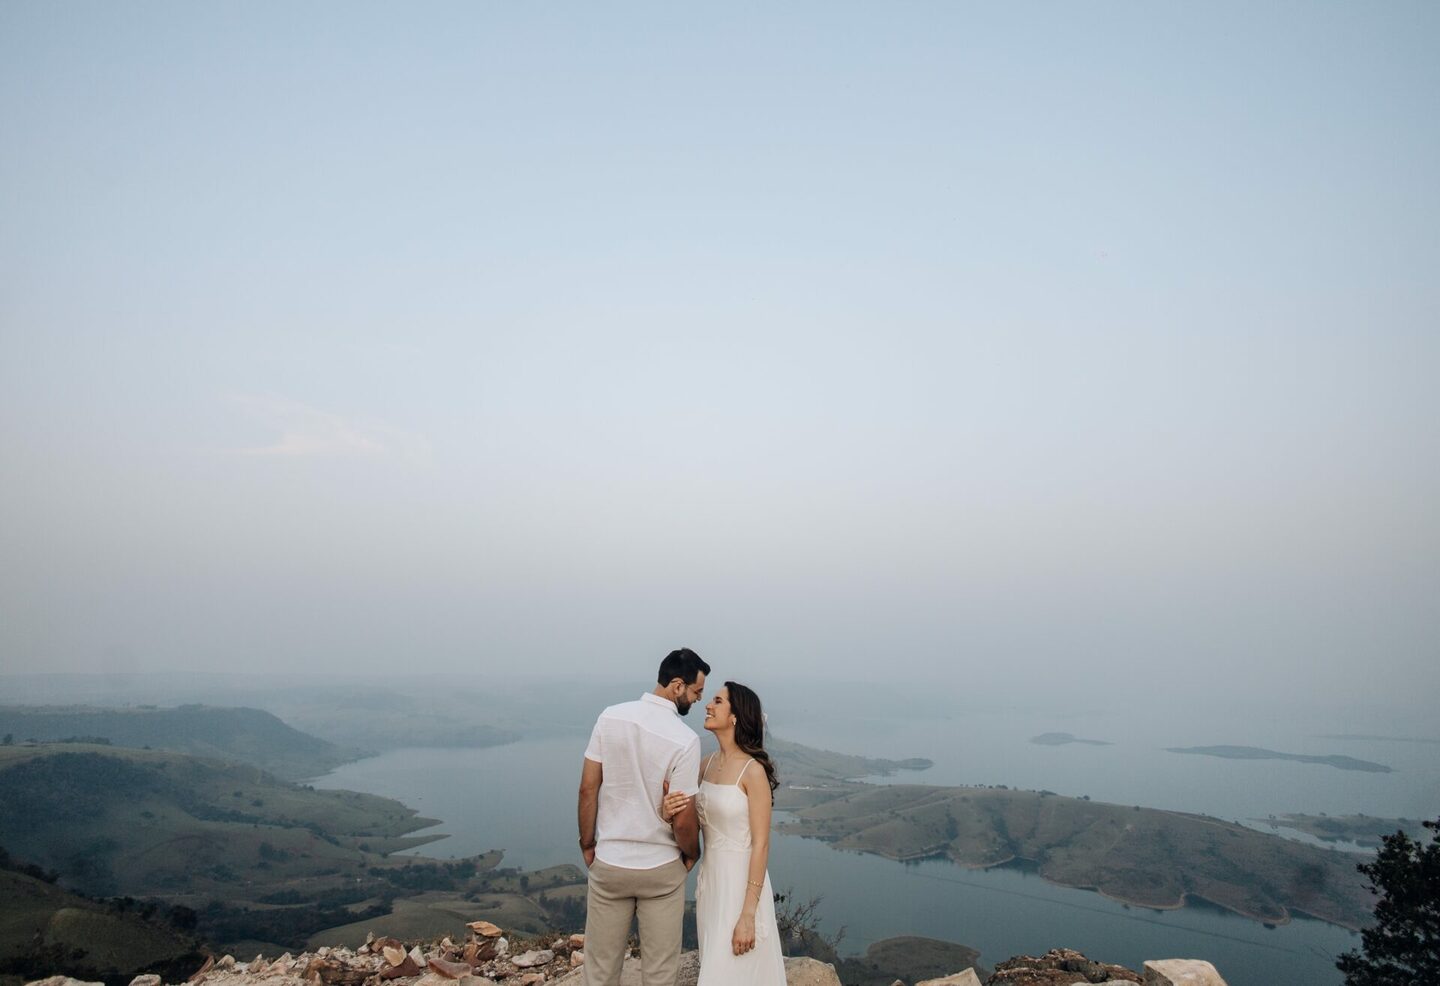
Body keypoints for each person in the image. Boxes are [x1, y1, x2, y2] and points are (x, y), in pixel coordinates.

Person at [578, 648, 709, 986]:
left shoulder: (610, 717)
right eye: (696, 692)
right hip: (660, 868)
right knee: (660, 973)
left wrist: (588, 845)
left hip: (610, 862)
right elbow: (683, 818)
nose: (698, 700)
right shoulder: (685, 740)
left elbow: (588, 790)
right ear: (677, 686)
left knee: (600, 970)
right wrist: (692, 854)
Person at [661, 681, 785, 986]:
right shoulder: (706, 765)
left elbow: (761, 845)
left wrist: (748, 915)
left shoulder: (753, 771)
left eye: (717, 701)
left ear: (735, 716)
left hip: (742, 888)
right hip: (711, 885)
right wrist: (667, 812)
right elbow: (685, 818)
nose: (707, 705)